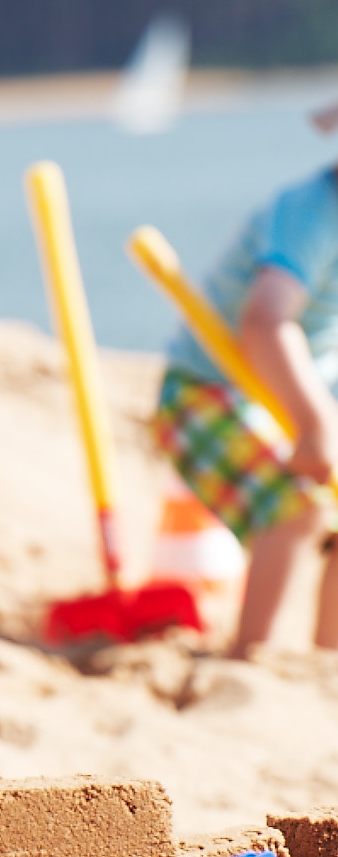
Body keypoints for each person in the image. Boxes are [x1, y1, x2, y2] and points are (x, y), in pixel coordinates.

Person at [152, 103, 338, 659]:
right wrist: (312, 423)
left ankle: (326, 663)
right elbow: (265, 322)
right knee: (296, 509)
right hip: (204, 393)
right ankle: (251, 660)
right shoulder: (313, 214)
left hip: (298, 393)